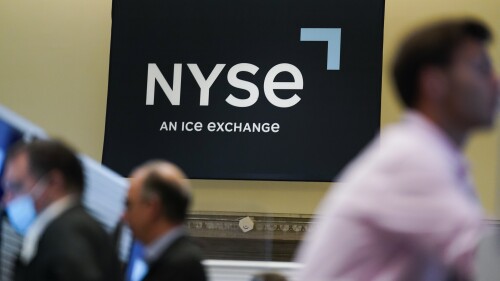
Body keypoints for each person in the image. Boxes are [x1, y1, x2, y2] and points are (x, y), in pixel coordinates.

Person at [295, 18, 499, 281]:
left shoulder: (433, 157)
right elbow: (481, 259)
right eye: (481, 68)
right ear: (433, 83)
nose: (495, 82)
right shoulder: (411, 159)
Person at [2, 139, 120, 281]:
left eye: (16, 187)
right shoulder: (64, 231)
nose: (6, 200)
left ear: (53, 183)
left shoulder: (69, 237)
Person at [122, 160, 207, 281]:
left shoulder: (181, 267)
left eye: (129, 205)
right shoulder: (164, 258)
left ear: (152, 208)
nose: (124, 216)